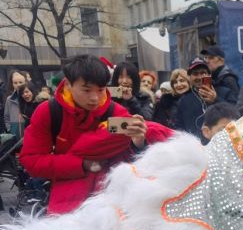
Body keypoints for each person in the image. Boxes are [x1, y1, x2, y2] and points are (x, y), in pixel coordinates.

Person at [19, 55, 172, 214]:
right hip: (68, 202)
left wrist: (138, 142)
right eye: (86, 90)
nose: (94, 98)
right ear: (69, 84)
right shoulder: (50, 111)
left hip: (111, 200)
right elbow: (31, 160)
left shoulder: (114, 112)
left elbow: (129, 152)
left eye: (100, 90)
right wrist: (81, 164)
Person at [174, 57, 221, 139]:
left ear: (209, 75)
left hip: (220, 144)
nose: (199, 77)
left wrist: (216, 100)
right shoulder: (183, 100)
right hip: (195, 147)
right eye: (195, 74)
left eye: (203, 73)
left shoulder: (224, 91)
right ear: (189, 77)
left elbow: (234, 116)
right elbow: (179, 128)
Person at [3, 70, 26, 137]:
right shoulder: (9, 99)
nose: (18, 85)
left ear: (25, 82)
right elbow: (6, 116)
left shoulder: (29, 97)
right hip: (14, 131)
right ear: (12, 84)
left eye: (20, 82)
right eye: (15, 83)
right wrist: (10, 129)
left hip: (27, 130)